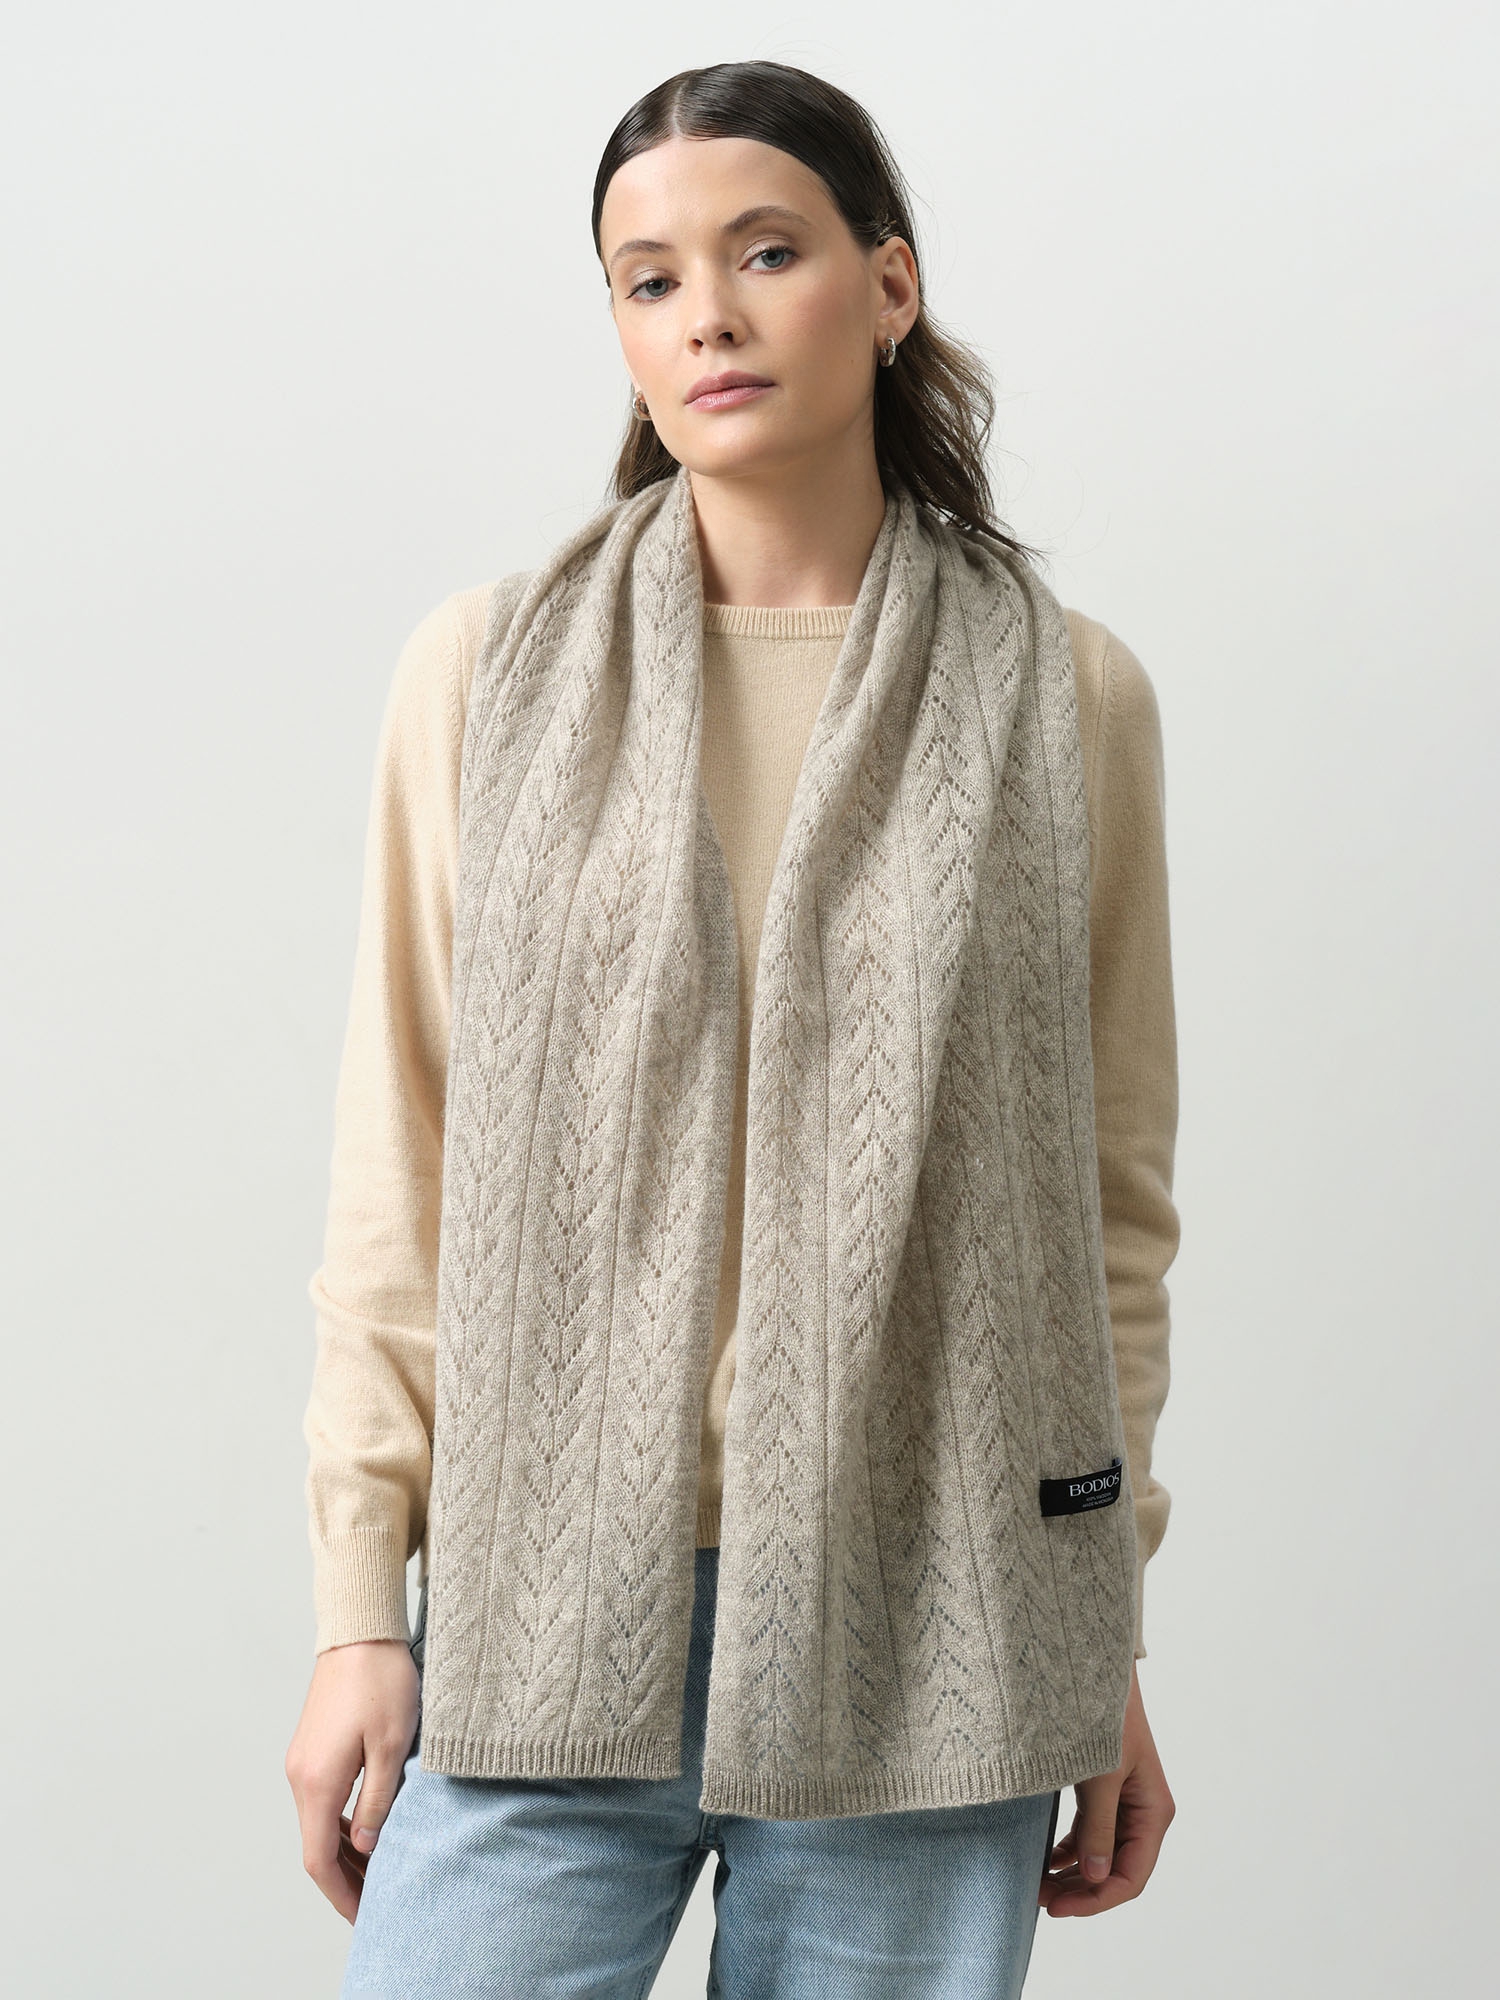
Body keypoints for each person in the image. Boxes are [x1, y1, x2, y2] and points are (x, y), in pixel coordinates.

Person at [285, 58, 1180, 2000]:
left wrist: (1093, 1632)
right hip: (541, 1608)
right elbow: (400, 1164)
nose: (706, 313)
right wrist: (361, 1604)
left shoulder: (1066, 697)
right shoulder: (485, 674)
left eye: (765, 252)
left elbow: (1103, 1219)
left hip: (935, 1628)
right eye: (650, 277)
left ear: (888, 283)